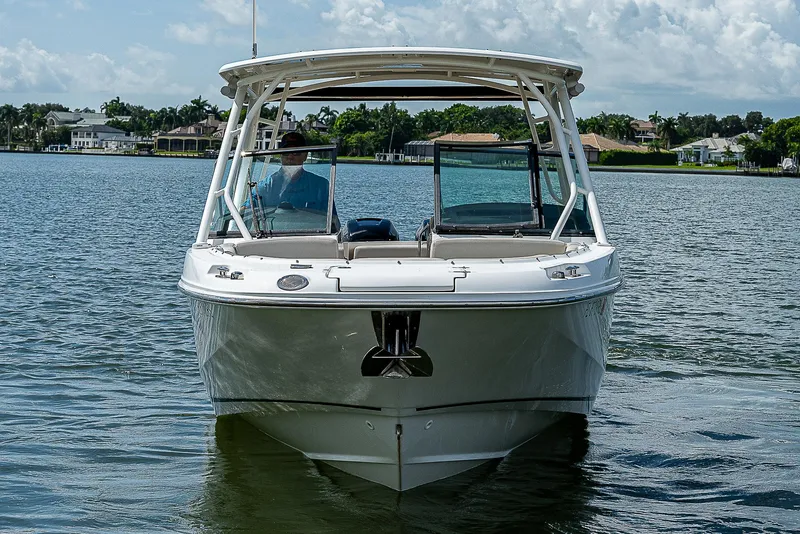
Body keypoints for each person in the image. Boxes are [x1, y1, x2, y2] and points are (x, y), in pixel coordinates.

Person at [246, 132, 331, 212]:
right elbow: (245, 211)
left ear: (305, 155)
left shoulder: (321, 186)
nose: (290, 157)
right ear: (281, 154)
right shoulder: (264, 187)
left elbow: (332, 220)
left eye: (295, 152)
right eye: (286, 152)